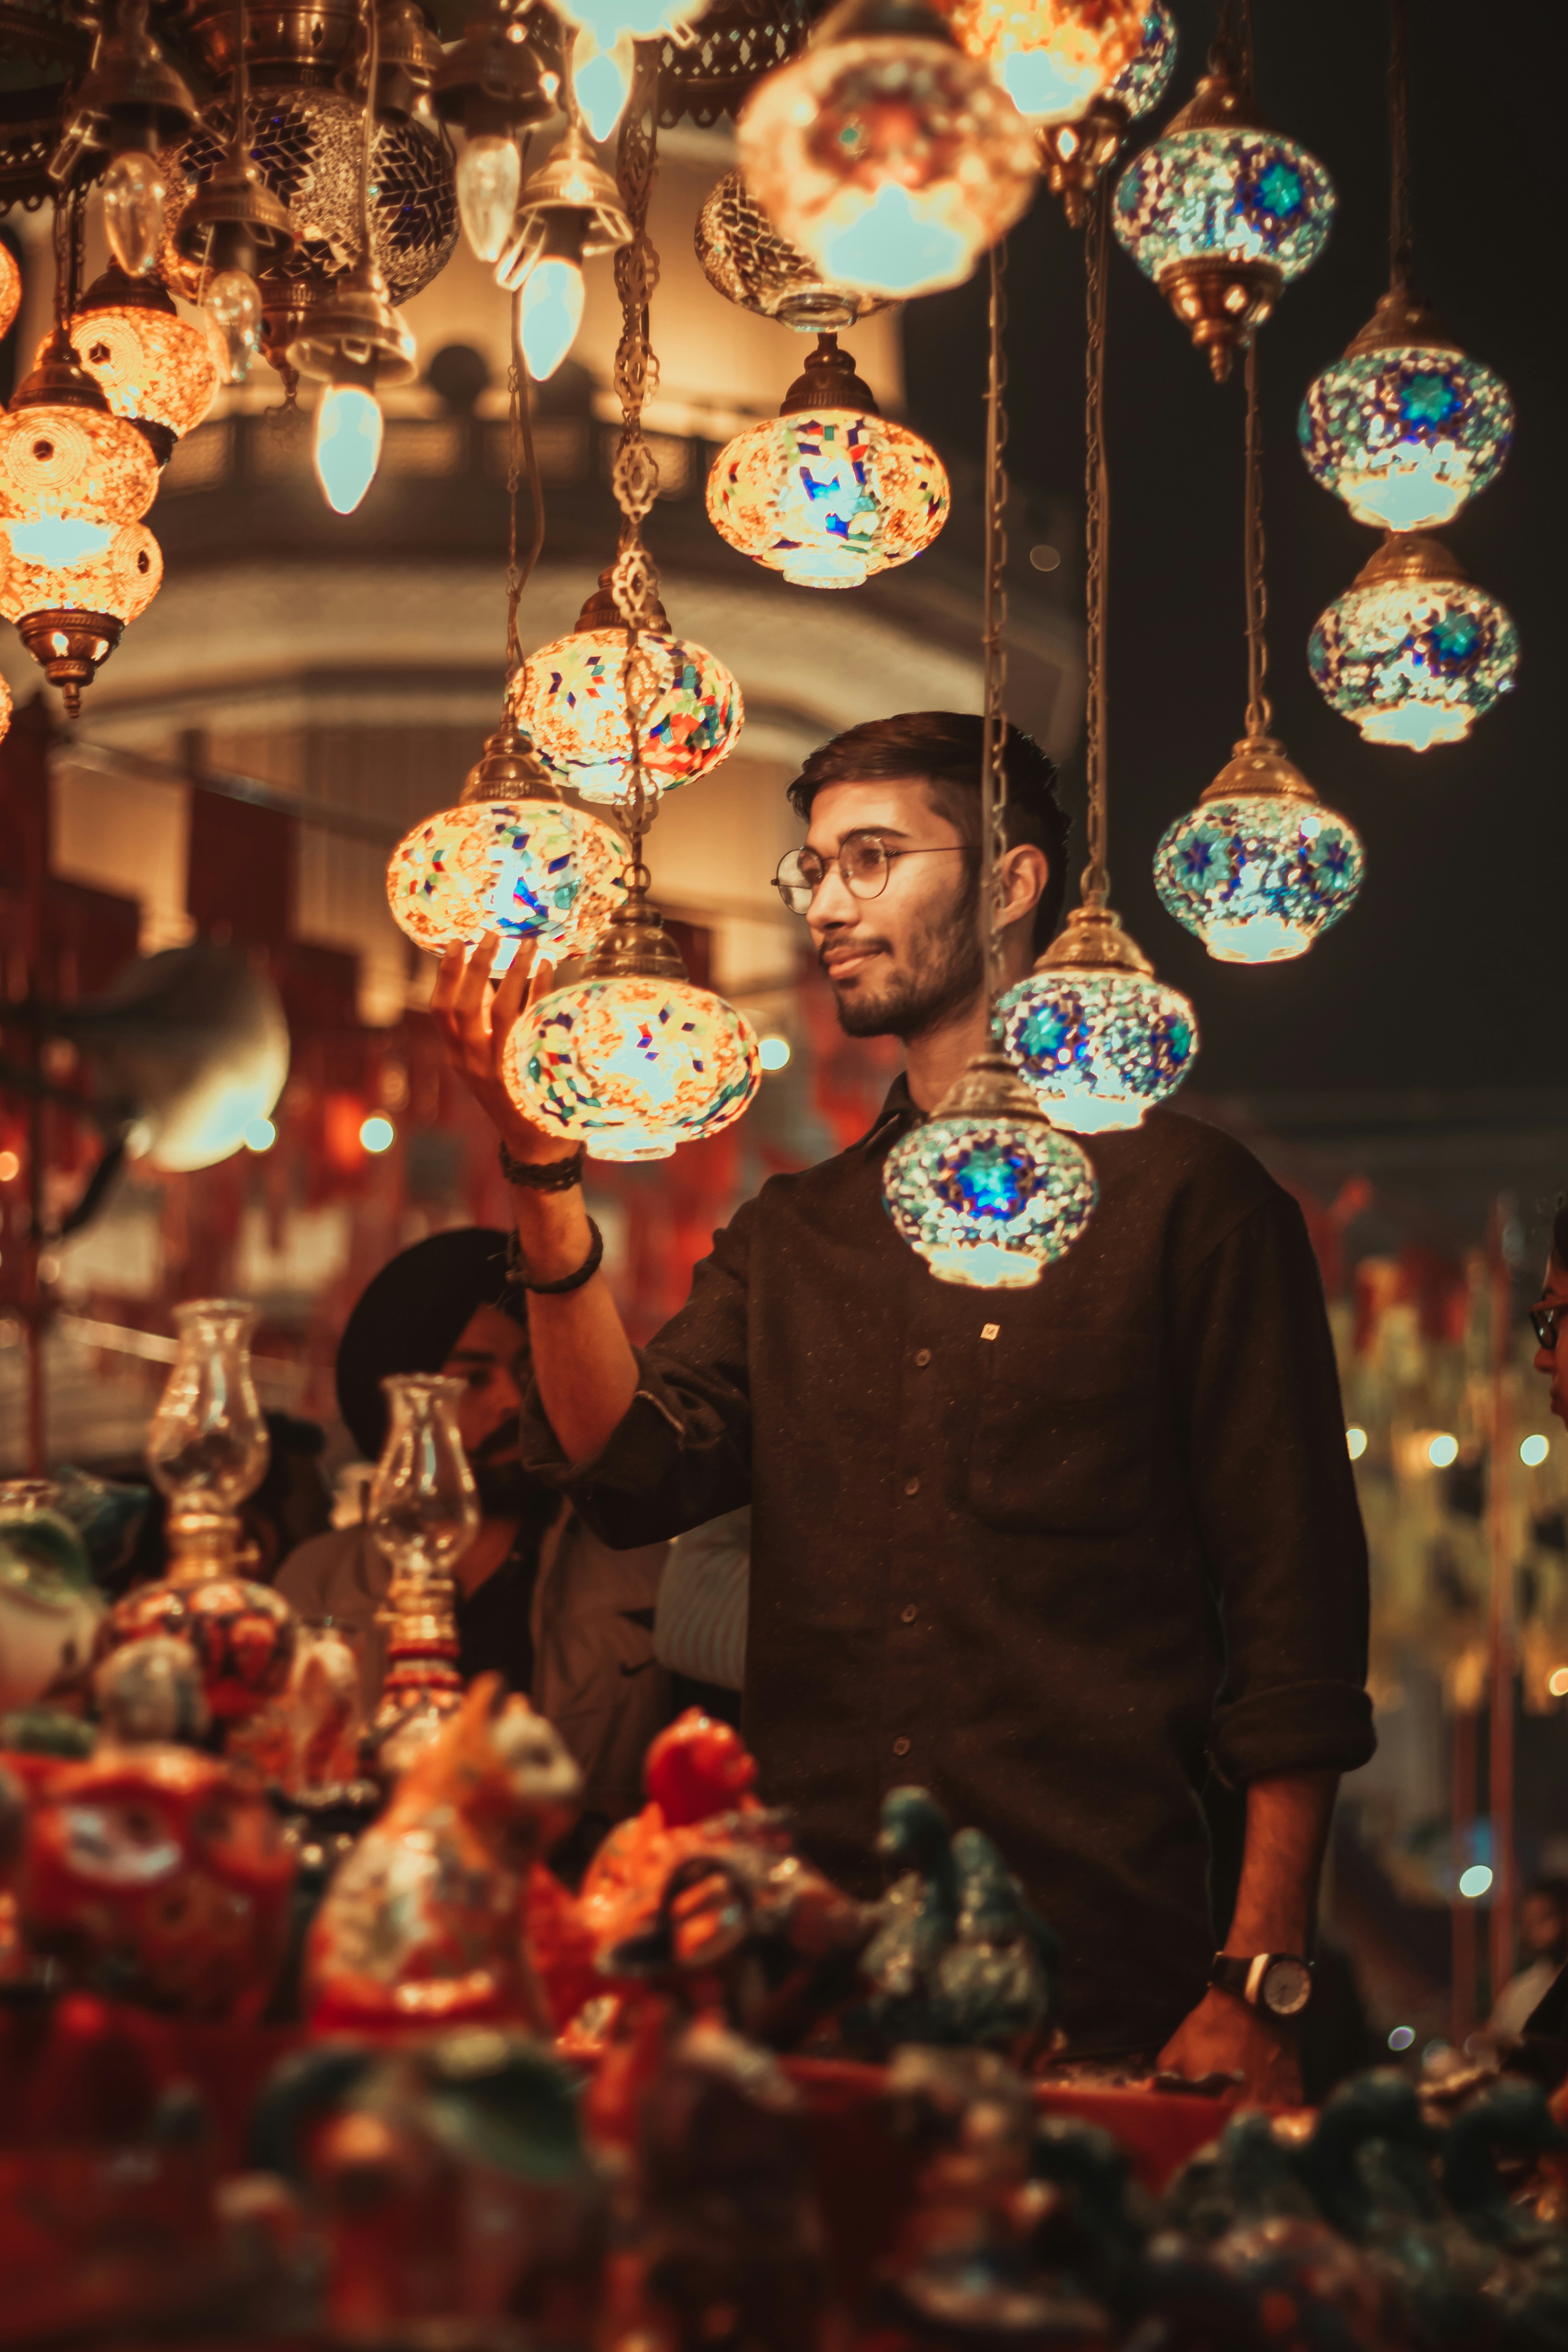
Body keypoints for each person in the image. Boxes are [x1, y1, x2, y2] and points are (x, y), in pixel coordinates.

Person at [435, 710, 1375, 2097]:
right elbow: (626, 1466)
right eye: (808, 869)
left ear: (1008, 882)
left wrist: (1257, 1972)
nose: (824, 903)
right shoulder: (803, 1230)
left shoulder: (1190, 1205)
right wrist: (540, 1170)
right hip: (812, 1989)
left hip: (1098, 2000)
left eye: (871, 859)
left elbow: (1294, 1619)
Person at [275, 1227, 668, 1829]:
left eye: (526, 1369)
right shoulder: (318, 1583)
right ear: (397, 1416)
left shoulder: (639, 1566)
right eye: (473, 1379)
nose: (514, 1401)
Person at [1489, 1877, 1568, 2040]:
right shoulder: (1521, 1990)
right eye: (1528, 1921)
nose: (1533, 1930)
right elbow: (1497, 2038)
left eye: (1543, 1918)